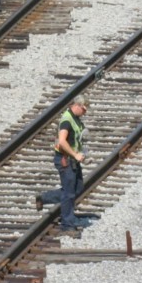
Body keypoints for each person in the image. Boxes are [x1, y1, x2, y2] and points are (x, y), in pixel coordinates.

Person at [52, 96, 88, 234]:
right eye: (84, 110)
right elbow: (61, 141)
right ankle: (67, 225)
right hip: (65, 160)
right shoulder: (67, 119)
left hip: (73, 160)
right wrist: (75, 154)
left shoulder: (76, 119)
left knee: (77, 188)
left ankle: (44, 198)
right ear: (78, 105)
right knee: (69, 193)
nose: (85, 113)